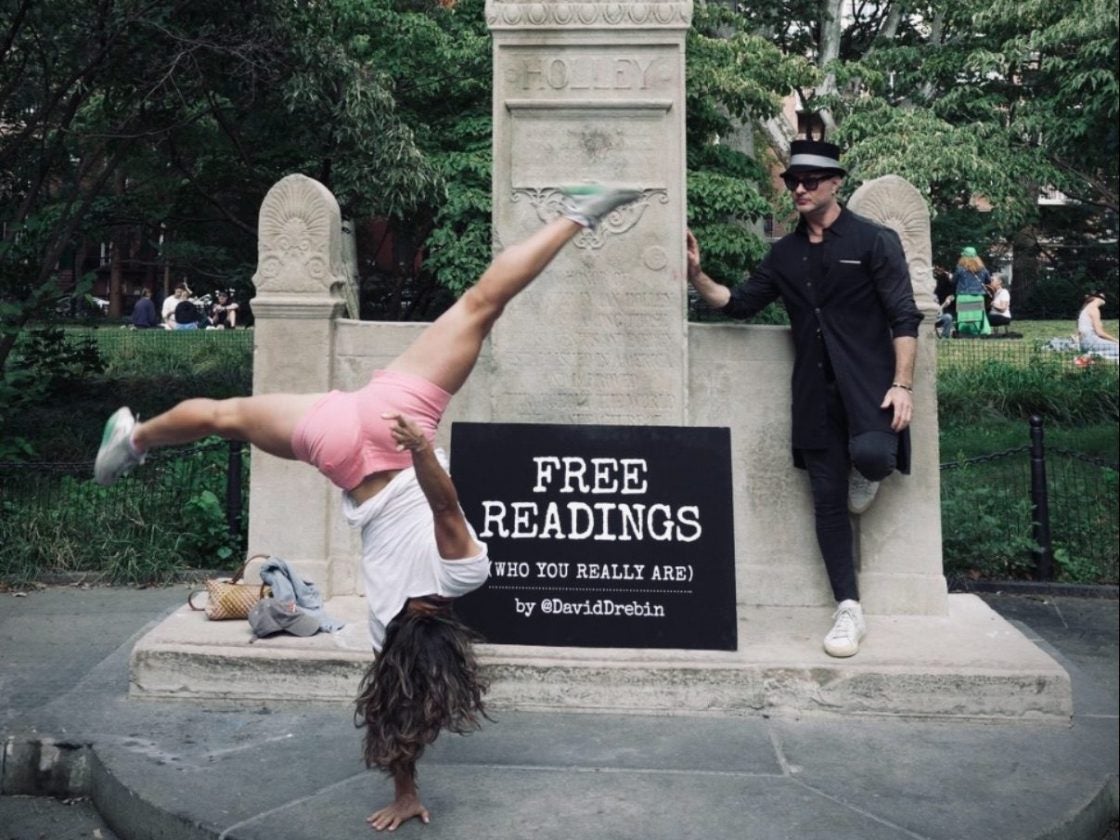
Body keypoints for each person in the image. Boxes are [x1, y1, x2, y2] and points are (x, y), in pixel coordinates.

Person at [92, 184, 641, 831]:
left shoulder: (462, 578)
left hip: (396, 426)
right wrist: (405, 791)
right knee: (226, 416)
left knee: (482, 303)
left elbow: (445, 506)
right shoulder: (385, 626)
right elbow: (394, 713)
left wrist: (420, 448)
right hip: (346, 456)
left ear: (453, 639)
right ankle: (132, 443)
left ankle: (577, 214)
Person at [685, 139, 922, 660]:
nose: (799, 188)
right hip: (813, 395)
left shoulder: (873, 240)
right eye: (793, 180)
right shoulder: (784, 254)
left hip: (869, 386)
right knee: (827, 505)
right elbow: (738, 304)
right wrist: (697, 274)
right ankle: (848, 608)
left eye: (811, 180)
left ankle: (865, 472)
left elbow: (904, 315)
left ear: (836, 183)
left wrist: (902, 384)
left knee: (873, 456)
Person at [1077, 290, 1118, 360]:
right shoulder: (1094, 309)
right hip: (1091, 341)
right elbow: (1100, 333)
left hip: (1084, 343)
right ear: (1098, 298)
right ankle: (1093, 356)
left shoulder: (1085, 309)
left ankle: (1093, 355)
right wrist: (1116, 340)